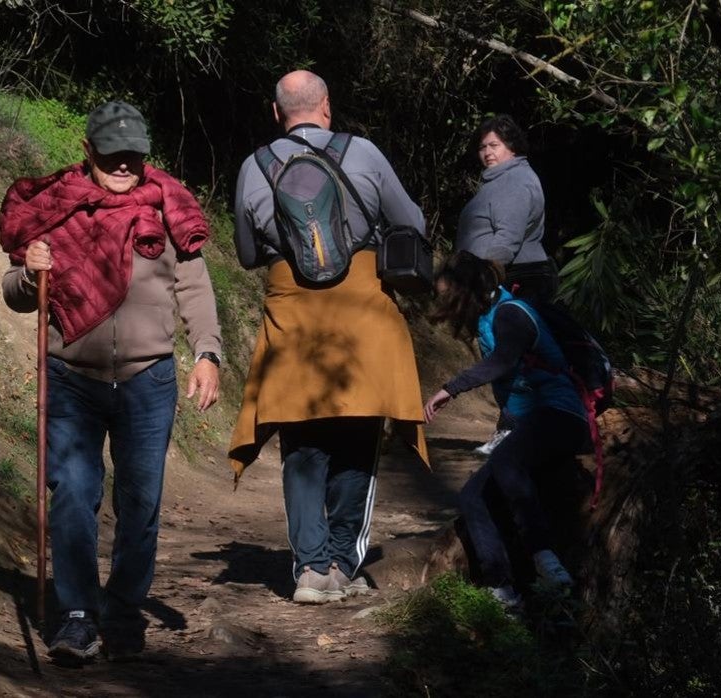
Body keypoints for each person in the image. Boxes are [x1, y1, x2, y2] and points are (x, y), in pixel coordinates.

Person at [0, 101, 223, 663]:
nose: (124, 166)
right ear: (88, 149)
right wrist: (31, 273)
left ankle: (122, 607)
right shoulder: (56, 209)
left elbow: (193, 287)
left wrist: (208, 353)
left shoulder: (168, 206)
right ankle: (76, 616)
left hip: (149, 380)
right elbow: (15, 293)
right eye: (113, 155)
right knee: (73, 492)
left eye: (133, 157)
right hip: (71, 377)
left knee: (140, 500)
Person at [229, 70, 429, 604]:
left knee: (302, 444)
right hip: (362, 317)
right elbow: (411, 223)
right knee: (358, 439)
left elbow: (248, 255)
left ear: (276, 114)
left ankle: (311, 571)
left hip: (292, 320)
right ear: (327, 107)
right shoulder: (363, 152)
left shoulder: (254, 166)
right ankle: (343, 561)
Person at [423, 252, 584, 610]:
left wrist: (451, 388)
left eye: (449, 295)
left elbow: (503, 361)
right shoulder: (490, 316)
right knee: (473, 496)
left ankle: (546, 561)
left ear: (468, 290)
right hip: (528, 424)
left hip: (561, 414)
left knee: (508, 464)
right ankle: (502, 592)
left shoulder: (511, 314)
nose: (445, 304)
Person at [454, 114, 557, 455]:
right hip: (501, 277)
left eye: (494, 145)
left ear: (512, 146)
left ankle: (514, 430)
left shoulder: (515, 182)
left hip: (516, 278)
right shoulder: (500, 181)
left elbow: (507, 240)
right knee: (506, 355)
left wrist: (485, 276)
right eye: (482, 146)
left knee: (511, 357)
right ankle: (516, 429)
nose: (487, 152)